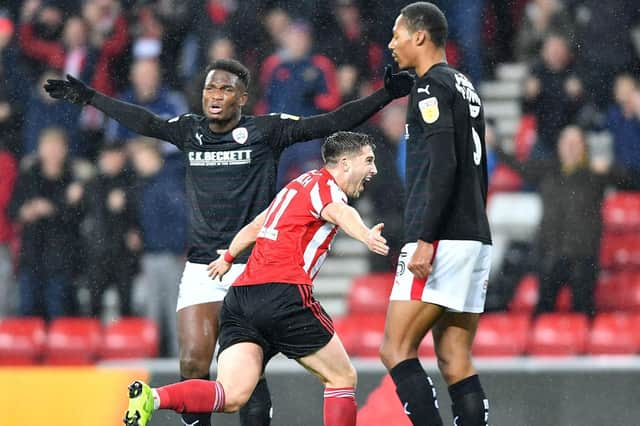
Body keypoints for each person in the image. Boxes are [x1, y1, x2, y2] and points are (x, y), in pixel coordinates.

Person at [44, 59, 413, 426]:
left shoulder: (267, 130)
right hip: (206, 264)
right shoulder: (190, 131)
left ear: (242, 98)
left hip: (256, 267)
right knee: (193, 364)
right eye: (209, 88)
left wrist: (384, 96)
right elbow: (144, 122)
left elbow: (331, 123)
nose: (215, 95)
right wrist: (91, 98)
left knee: (245, 384)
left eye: (225, 89)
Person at [122, 131, 388, 426]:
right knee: (342, 377)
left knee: (232, 394)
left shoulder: (295, 187)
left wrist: (227, 257)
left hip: (240, 298)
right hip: (282, 293)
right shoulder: (327, 188)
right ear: (345, 164)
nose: (374, 169)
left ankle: (153, 397)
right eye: (369, 160)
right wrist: (365, 235)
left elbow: (255, 226)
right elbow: (340, 212)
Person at [380, 3, 492, 426]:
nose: (391, 44)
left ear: (420, 36)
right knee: (453, 357)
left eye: (397, 35)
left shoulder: (429, 88)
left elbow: (443, 163)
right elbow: (472, 167)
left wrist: (427, 236)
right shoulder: (464, 84)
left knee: (395, 348)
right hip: (472, 233)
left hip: (440, 235)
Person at [496, 125, 632, 316]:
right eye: (566, 141)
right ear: (559, 145)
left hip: (583, 257)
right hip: (550, 253)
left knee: (584, 312)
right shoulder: (547, 169)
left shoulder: (595, 173)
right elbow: (518, 165)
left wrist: (611, 168)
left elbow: (632, 181)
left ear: (584, 146)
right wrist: (495, 145)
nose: (570, 146)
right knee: (543, 312)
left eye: (575, 142)